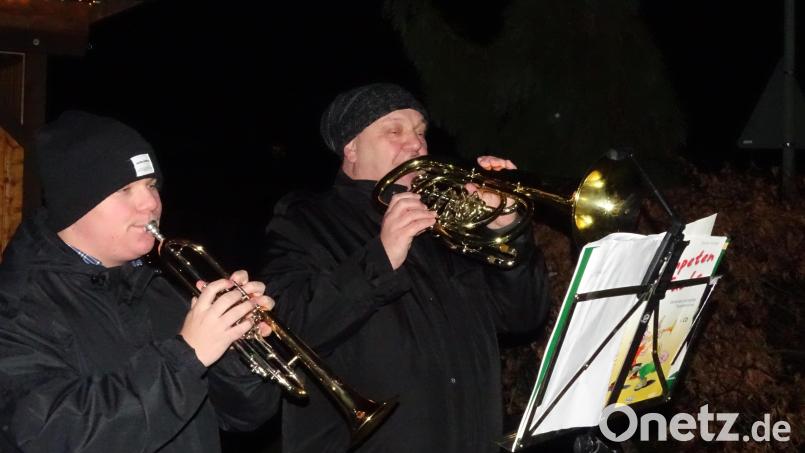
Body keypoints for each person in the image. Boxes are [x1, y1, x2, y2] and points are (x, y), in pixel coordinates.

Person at [258, 83, 552, 453]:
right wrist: (381, 257)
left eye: (419, 133)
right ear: (351, 148)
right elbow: (285, 327)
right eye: (394, 131)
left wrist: (506, 230)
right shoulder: (306, 220)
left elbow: (522, 316)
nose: (415, 145)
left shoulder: (448, 221)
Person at [0, 111, 280, 452]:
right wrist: (188, 355)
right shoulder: (17, 306)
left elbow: (246, 417)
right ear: (76, 204)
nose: (151, 202)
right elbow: (54, 436)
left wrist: (235, 346)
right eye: (125, 189)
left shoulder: (162, 284)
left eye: (150, 185)